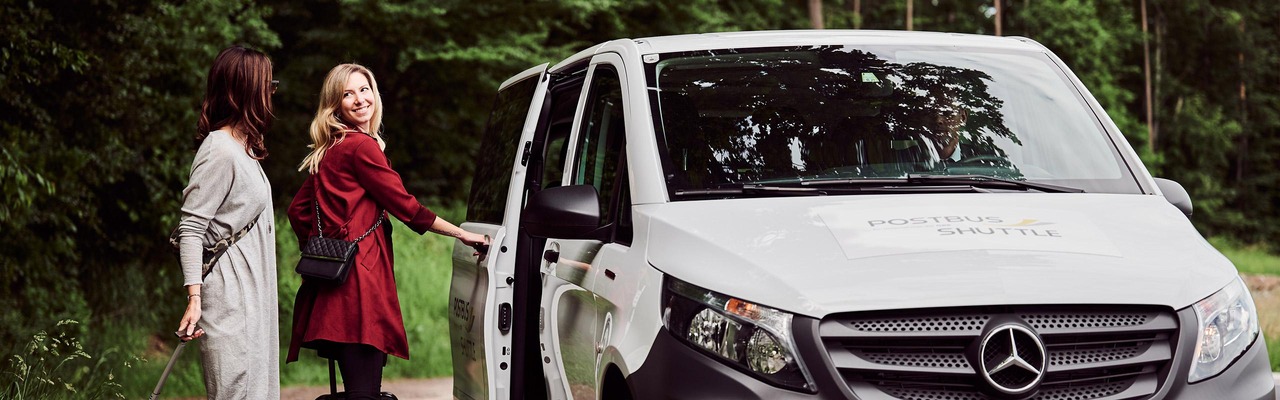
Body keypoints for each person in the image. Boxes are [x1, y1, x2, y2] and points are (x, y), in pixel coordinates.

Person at [286, 63, 487, 399]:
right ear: (335, 105)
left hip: (332, 284)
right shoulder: (361, 147)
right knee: (365, 392)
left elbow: (298, 210)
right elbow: (408, 207)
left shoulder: (332, 148)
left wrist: (325, 249)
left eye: (364, 89)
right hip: (361, 286)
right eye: (347, 94)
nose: (359, 99)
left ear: (374, 94)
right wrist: (463, 234)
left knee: (358, 390)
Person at [173, 45, 280, 398]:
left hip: (254, 298)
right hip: (232, 300)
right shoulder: (219, 148)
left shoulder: (245, 148)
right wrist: (194, 298)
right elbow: (191, 229)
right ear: (247, 90)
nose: (271, 92)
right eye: (267, 85)